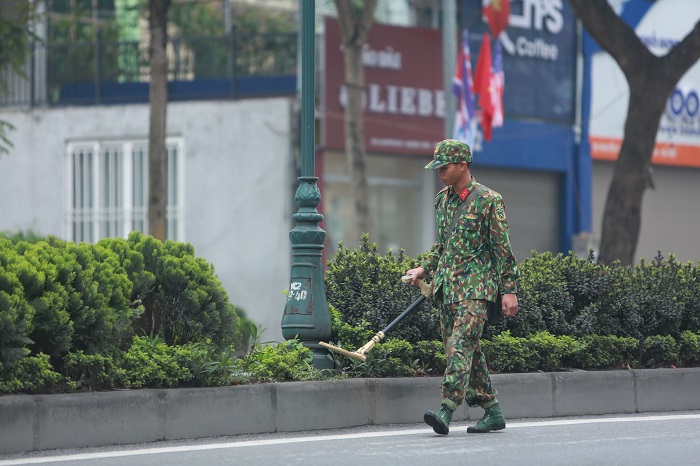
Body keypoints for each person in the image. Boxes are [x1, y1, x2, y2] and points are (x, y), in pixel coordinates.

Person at [405, 138, 519, 435]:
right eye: (437, 167)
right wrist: (424, 268)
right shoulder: (442, 199)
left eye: (444, 166)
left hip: (476, 290)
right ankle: (492, 411)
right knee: (469, 352)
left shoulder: (489, 200)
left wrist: (509, 290)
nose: (439, 172)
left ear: (462, 165)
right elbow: (443, 245)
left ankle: (446, 409)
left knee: (460, 347)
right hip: (447, 290)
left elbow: (502, 249)